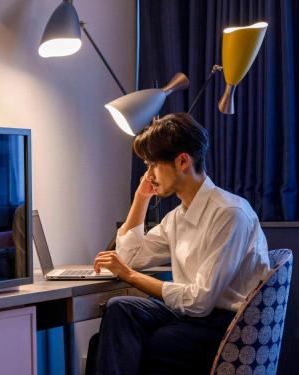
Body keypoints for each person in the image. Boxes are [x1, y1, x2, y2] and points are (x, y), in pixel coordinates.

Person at [89, 113, 270, 375]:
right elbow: (131, 256)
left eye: (153, 165)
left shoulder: (230, 213)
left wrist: (129, 276)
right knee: (120, 310)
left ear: (182, 160)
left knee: (135, 345)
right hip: (191, 319)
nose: (148, 175)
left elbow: (200, 302)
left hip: (228, 329)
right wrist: (141, 198)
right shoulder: (177, 217)